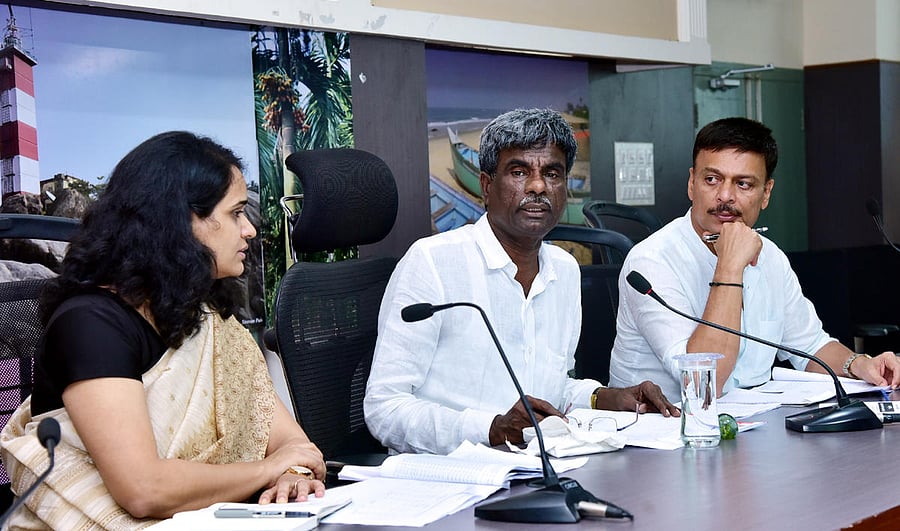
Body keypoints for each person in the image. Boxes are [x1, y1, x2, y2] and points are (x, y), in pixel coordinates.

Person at [0, 132, 326, 529]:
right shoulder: (90, 324)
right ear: (182, 221)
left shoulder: (208, 317)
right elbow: (144, 489)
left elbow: (292, 443)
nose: (249, 230)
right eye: (236, 213)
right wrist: (268, 470)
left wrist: (295, 476)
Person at [364, 108, 679, 456]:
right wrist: (492, 429)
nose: (538, 186)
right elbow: (384, 409)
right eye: (519, 172)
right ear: (486, 186)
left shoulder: (565, 269)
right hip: (447, 478)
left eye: (552, 173)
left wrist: (606, 397)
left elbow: (550, 389)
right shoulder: (433, 262)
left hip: (538, 468)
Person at [608, 117, 900, 402]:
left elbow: (811, 345)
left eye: (743, 184)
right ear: (691, 183)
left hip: (750, 429)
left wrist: (859, 364)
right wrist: (730, 266)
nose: (725, 196)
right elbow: (701, 385)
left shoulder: (771, 256)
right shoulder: (651, 261)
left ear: (766, 194)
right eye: (711, 179)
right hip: (662, 435)